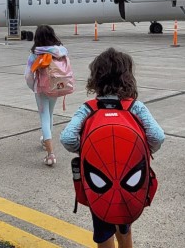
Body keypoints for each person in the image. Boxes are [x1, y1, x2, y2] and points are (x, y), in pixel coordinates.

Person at [60, 47, 165, 248]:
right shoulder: (135, 106)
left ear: (96, 78)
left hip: (98, 180)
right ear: (127, 77)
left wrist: (87, 150)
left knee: (102, 225)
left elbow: (67, 138)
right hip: (129, 180)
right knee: (125, 224)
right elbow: (157, 137)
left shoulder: (88, 108)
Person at [25, 25, 70, 166]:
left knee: (44, 118)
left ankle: (50, 154)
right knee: (50, 115)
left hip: (42, 89)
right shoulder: (60, 52)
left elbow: (28, 76)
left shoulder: (35, 54)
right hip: (56, 88)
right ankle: (46, 141)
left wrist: (34, 87)